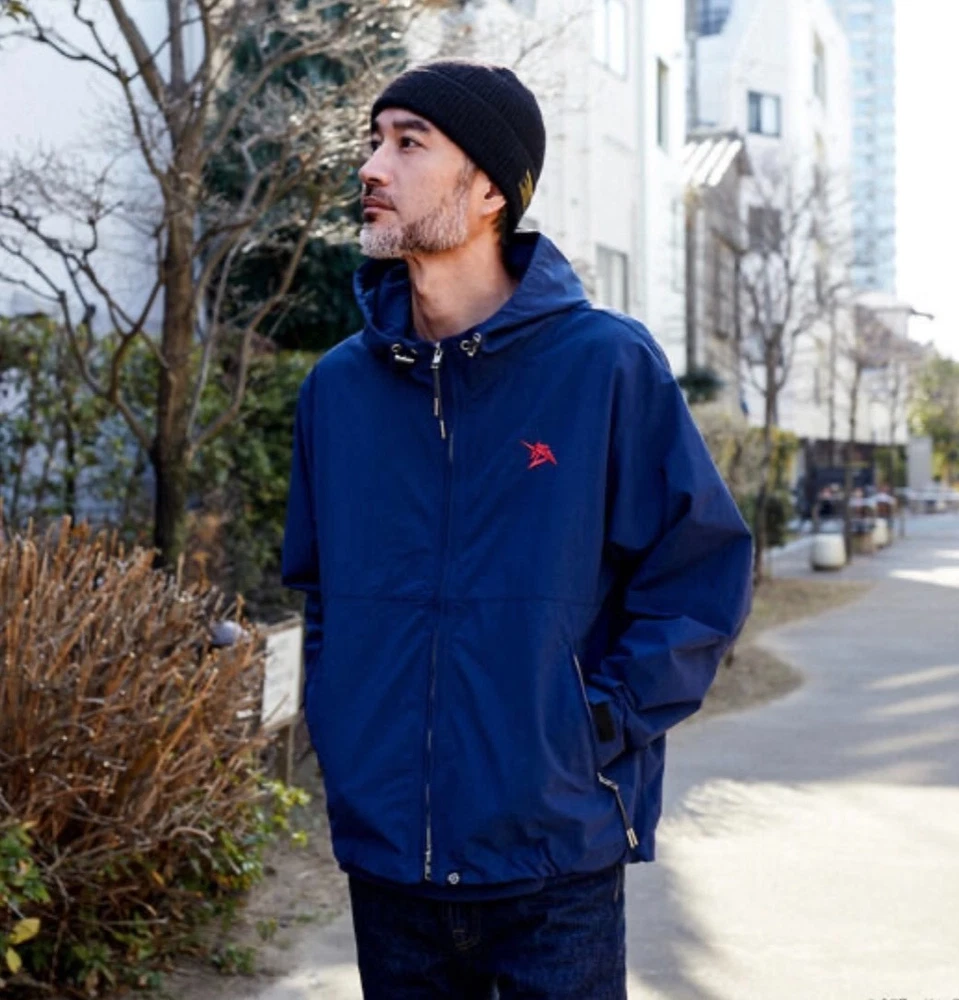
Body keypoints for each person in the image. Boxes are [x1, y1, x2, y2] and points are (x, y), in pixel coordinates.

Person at [282, 59, 753, 1000]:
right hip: (389, 863)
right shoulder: (337, 388)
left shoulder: (603, 365)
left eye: (408, 143)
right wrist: (344, 727)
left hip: (553, 864)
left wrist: (594, 725)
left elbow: (698, 575)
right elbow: (321, 592)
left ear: (491, 189)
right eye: (374, 141)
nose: (371, 166)